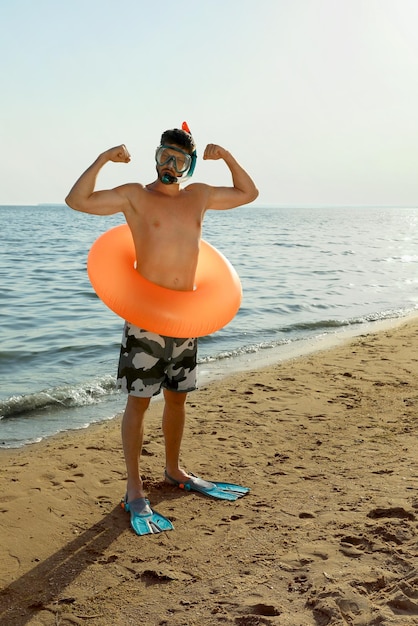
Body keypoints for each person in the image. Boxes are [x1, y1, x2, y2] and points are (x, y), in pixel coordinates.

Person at [65, 125, 258, 534]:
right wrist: (102, 159)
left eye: (180, 160)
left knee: (177, 399)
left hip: (185, 319)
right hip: (145, 321)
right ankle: (134, 487)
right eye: (165, 156)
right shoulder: (136, 195)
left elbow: (248, 193)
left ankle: (173, 470)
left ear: (188, 166)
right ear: (156, 157)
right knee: (139, 403)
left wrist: (225, 156)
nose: (171, 165)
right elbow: (76, 200)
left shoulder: (199, 196)